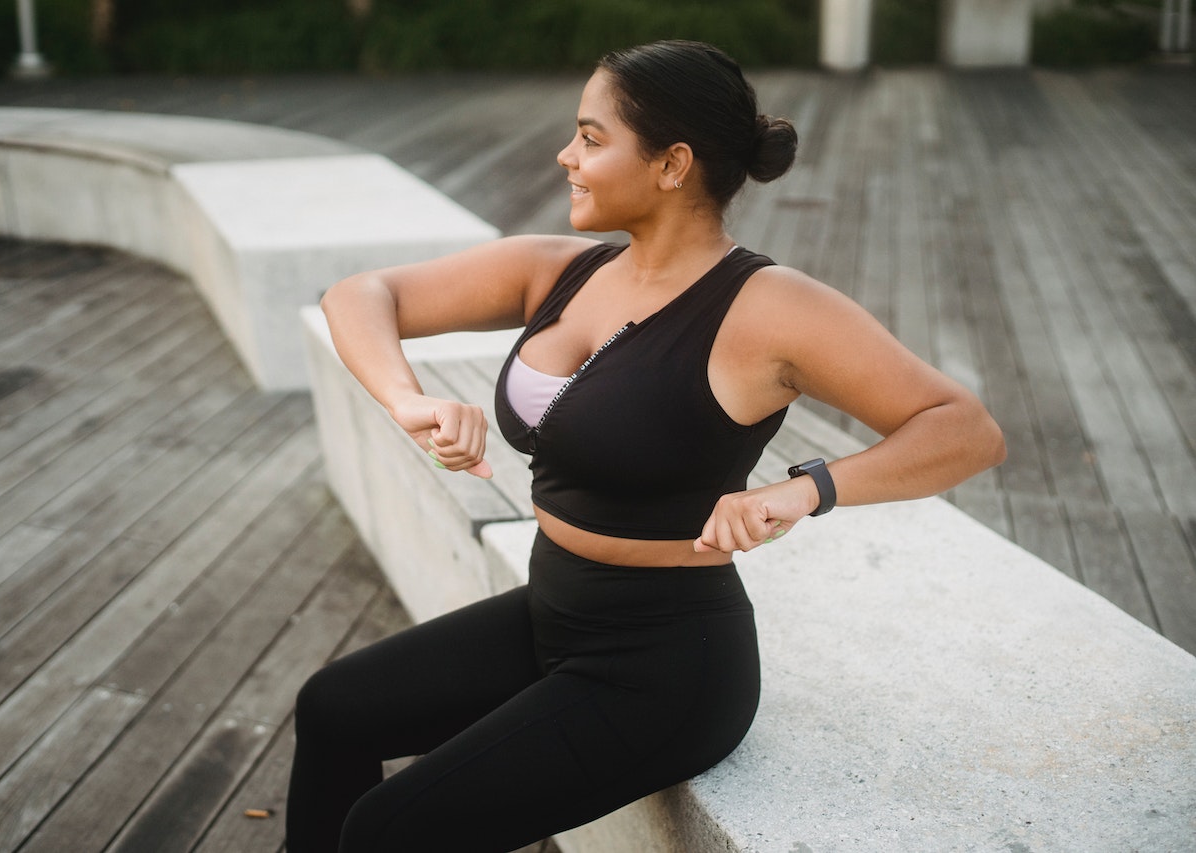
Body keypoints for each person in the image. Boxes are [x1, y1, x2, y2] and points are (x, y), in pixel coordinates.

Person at [288, 39, 1006, 852]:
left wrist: (802, 488)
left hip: (666, 665)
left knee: (387, 831)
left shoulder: (768, 307)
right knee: (332, 708)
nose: (566, 156)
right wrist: (408, 399)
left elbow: (964, 429)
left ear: (671, 164)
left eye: (591, 139)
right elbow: (361, 293)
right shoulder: (561, 270)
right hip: (554, 611)